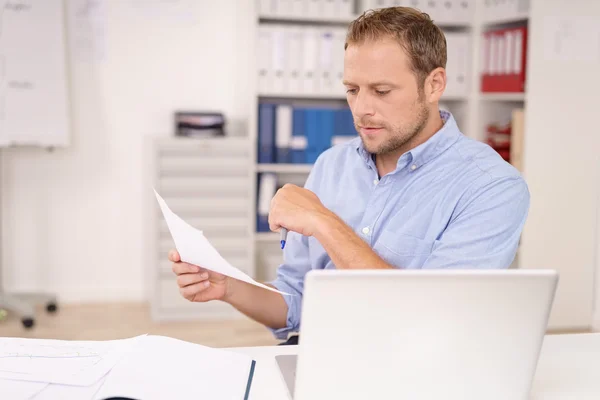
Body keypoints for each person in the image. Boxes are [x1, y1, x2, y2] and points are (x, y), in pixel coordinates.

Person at [169, 7, 530, 343]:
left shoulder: (492, 187)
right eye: (352, 90)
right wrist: (230, 287)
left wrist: (324, 223)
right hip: (319, 358)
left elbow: (429, 320)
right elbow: (296, 301)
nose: (362, 109)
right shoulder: (331, 165)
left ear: (434, 85)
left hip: (415, 370)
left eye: (382, 91)